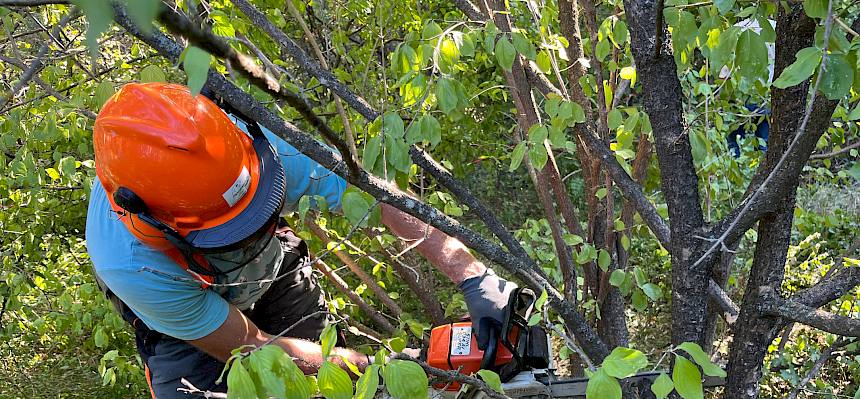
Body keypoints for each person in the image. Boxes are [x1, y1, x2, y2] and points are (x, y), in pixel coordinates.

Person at [86, 82, 516, 398]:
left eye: (257, 210)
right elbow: (252, 347)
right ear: (158, 223)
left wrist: (472, 275)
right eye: (229, 231)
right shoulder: (131, 262)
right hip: (190, 325)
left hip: (274, 268)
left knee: (337, 388)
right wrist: (381, 370)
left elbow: (377, 197)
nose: (245, 232)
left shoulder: (250, 150)